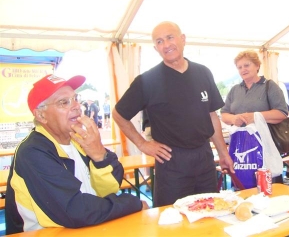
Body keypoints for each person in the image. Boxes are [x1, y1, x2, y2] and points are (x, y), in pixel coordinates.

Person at [5, 74, 148, 234]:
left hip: (91, 228)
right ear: (41, 115)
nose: (76, 107)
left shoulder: (79, 139)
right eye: (64, 102)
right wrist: (131, 203)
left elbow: (111, 187)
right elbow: (74, 210)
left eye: (75, 98)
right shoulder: (33, 152)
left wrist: (100, 156)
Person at [112, 21, 234, 207]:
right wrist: (142, 144)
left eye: (170, 37)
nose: (166, 45)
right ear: (156, 48)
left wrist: (223, 153)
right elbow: (119, 114)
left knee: (209, 214)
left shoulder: (203, 73)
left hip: (204, 158)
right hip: (171, 161)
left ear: (182, 39)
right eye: (160, 41)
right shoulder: (147, 81)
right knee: (172, 220)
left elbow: (212, 116)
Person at [220, 50, 288, 185]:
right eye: (239, 67)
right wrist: (234, 119)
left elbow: (282, 113)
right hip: (239, 146)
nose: (243, 70)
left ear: (257, 65)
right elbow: (224, 114)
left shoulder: (269, 86)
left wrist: (255, 116)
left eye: (247, 65)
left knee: (266, 188)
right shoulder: (234, 90)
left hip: (264, 147)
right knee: (242, 185)